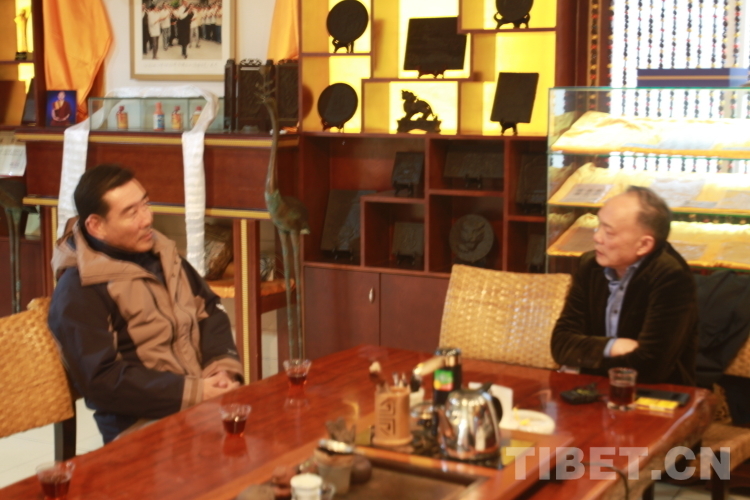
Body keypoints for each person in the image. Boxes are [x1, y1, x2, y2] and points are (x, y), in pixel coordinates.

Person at [49, 164, 243, 443]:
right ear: (96, 225)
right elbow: (102, 380)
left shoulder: (163, 255)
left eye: (146, 204)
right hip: (141, 427)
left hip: (201, 405)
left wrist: (221, 371)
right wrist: (196, 392)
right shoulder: (80, 289)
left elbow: (210, 311)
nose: (147, 218)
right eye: (132, 213)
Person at [550, 186, 698, 385]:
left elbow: (652, 366)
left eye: (609, 232)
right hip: (595, 388)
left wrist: (583, 360)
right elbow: (560, 344)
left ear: (644, 245)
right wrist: (613, 346)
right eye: (598, 226)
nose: (597, 237)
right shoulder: (590, 265)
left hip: (657, 393)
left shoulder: (671, 276)